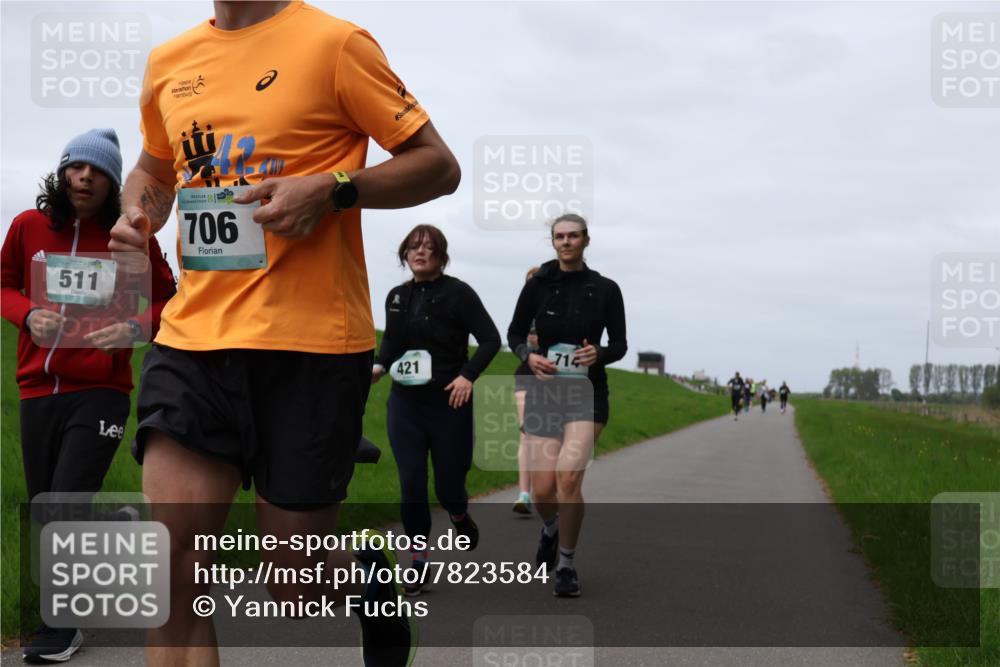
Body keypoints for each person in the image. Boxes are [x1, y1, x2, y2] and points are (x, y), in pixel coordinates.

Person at [108, 2, 460, 665]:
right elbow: (156, 172)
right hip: (193, 339)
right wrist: (137, 215)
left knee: (294, 575)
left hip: (312, 347)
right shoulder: (169, 62)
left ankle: (366, 581)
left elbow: (438, 165)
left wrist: (332, 189)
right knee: (176, 569)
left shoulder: (336, 45)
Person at [1, 128, 175, 663]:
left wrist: (134, 329)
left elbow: (171, 300)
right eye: (77, 167)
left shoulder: (131, 238)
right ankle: (111, 526)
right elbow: (4, 283)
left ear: (112, 183)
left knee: (66, 500)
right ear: (62, 172)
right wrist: (27, 313)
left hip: (100, 388)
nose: (85, 178)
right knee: (43, 506)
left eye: (98, 172)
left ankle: (62, 628)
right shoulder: (29, 227)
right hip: (37, 388)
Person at [372, 225, 500, 596]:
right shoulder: (397, 296)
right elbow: (393, 342)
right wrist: (380, 366)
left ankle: (459, 515)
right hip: (406, 404)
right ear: (404, 254)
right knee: (411, 482)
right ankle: (418, 560)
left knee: (448, 488)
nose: (420, 252)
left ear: (441, 256)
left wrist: (467, 376)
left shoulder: (459, 294)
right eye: (413, 247)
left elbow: (491, 339)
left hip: (449, 404)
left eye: (428, 247)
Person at [507, 213, 627, 598]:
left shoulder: (606, 289)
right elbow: (514, 332)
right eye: (559, 236)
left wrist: (600, 354)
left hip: (587, 394)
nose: (566, 242)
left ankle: (567, 564)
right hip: (546, 392)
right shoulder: (538, 285)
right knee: (543, 491)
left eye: (573, 236)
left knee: (568, 479)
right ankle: (550, 528)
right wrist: (528, 355)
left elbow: (620, 344)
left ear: (586, 240)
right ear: (553, 241)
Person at [512, 266, 540, 515]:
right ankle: (524, 493)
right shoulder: (523, 312)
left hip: (555, 377)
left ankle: (551, 490)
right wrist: (525, 345)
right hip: (525, 373)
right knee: (526, 432)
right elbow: (513, 337)